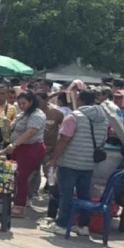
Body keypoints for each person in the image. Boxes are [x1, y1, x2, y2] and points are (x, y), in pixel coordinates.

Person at [43, 89, 109, 236]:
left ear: (79, 100)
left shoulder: (74, 117)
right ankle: (83, 226)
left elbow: (64, 140)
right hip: (89, 163)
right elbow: (103, 140)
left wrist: (54, 159)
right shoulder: (103, 119)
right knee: (84, 194)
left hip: (70, 162)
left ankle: (61, 224)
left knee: (66, 194)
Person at [2, 91, 46, 217]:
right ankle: (18, 201)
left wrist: (14, 144)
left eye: (24, 103)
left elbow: (30, 132)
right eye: (19, 103)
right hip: (20, 149)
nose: (21, 105)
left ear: (31, 102)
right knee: (16, 176)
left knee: (22, 177)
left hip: (31, 149)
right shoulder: (23, 114)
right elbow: (14, 126)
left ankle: (19, 206)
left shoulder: (37, 115)